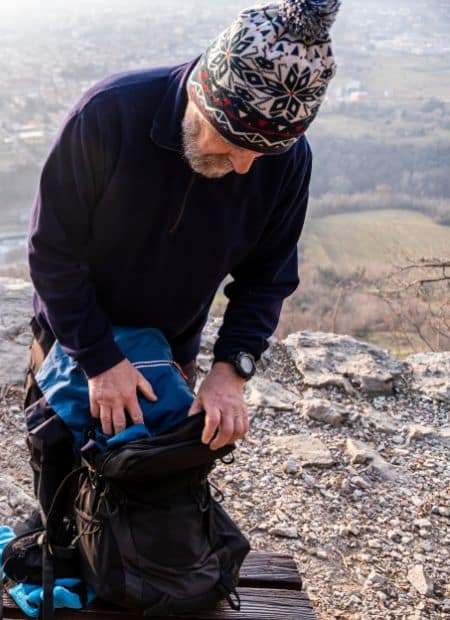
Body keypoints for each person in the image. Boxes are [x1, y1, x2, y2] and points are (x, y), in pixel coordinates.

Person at [23, 0, 341, 454]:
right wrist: (99, 360)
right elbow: (52, 251)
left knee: (152, 487)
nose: (246, 167)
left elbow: (267, 280)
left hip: (170, 353)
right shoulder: (108, 116)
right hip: (69, 340)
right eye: (233, 143)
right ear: (201, 95)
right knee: (58, 464)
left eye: (265, 152)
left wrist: (230, 371)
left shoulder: (285, 163)